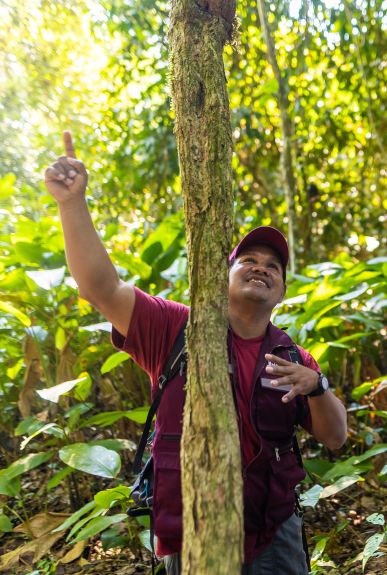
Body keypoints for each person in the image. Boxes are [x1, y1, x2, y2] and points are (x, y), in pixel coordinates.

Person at [44, 132, 347, 574]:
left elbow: (336, 438)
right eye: (249, 260)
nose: (261, 267)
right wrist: (71, 205)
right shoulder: (174, 328)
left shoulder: (292, 357)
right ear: (221, 274)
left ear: (281, 290)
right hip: (193, 530)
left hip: (272, 532)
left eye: (273, 266)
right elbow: (100, 288)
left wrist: (316, 387)